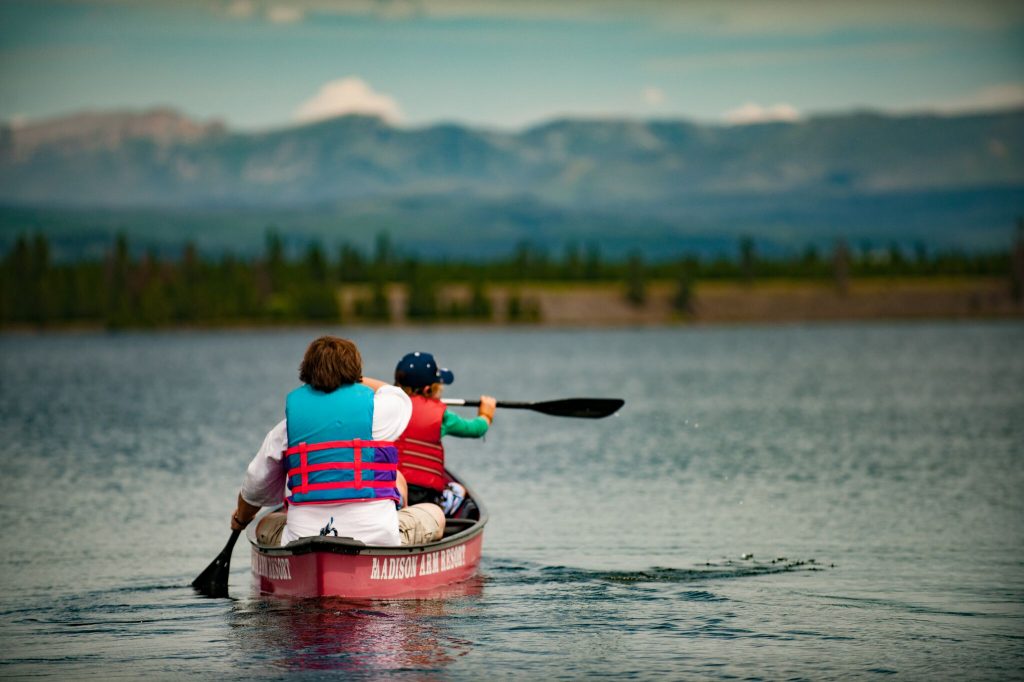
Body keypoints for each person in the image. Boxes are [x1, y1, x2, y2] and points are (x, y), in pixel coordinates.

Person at [230, 336, 445, 547]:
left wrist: (241, 519)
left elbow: (254, 487)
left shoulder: (286, 429)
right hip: (377, 537)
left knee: (265, 524)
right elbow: (394, 393)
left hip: (302, 538)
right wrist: (356, 379)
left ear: (306, 374)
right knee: (436, 513)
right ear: (355, 374)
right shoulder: (381, 412)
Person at [393, 351, 496, 510]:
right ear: (428, 389)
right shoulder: (442, 416)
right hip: (425, 497)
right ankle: (447, 506)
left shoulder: (386, 408)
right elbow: (476, 429)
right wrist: (486, 413)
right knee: (458, 490)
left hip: (392, 491)